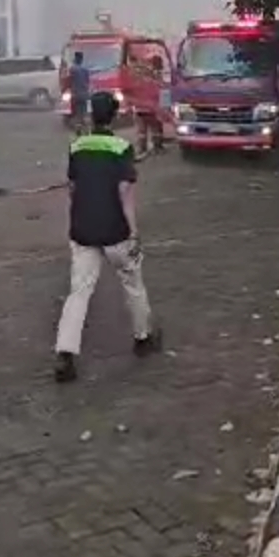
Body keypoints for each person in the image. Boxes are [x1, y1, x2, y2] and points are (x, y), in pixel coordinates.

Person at [54, 90, 161, 382]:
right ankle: (143, 337)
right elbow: (124, 191)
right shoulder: (121, 147)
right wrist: (134, 232)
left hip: (83, 230)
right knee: (132, 283)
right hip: (115, 231)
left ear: (91, 115)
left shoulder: (77, 147)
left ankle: (65, 352)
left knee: (79, 292)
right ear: (114, 116)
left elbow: (73, 188)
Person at [135, 53, 166, 157]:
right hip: (152, 109)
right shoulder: (157, 77)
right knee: (156, 128)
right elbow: (162, 92)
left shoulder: (138, 78)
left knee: (142, 131)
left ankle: (142, 149)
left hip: (140, 109)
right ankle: (157, 147)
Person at [68, 50, 90, 132]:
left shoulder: (72, 69)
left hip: (76, 94)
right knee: (84, 112)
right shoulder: (85, 70)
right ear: (82, 59)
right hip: (84, 94)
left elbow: (69, 81)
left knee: (77, 112)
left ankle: (78, 128)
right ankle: (86, 129)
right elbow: (87, 82)